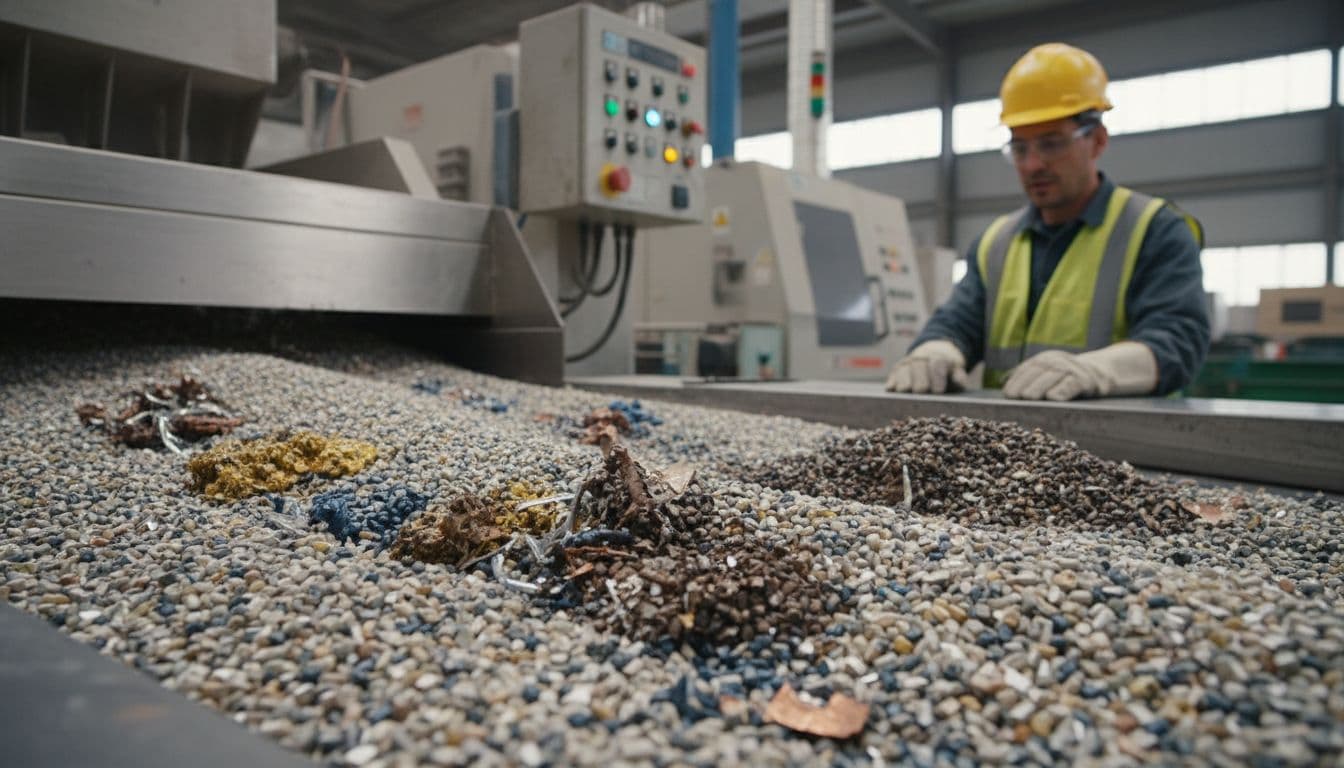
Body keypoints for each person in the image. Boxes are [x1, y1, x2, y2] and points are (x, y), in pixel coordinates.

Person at [886, 43, 1209, 400]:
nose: (1032, 164)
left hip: (1121, 447)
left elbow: (1179, 340)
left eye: (1051, 144)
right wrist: (936, 350)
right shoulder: (996, 242)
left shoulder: (1153, 230)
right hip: (1004, 449)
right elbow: (958, 322)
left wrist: (1097, 370)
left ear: (1097, 141)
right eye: (1020, 148)